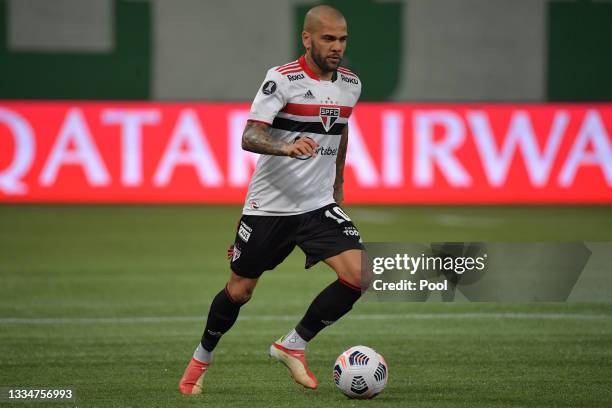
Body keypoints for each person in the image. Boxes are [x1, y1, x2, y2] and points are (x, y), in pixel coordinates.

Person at [179, 4, 364, 394]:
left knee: (359, 275)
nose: (337, 46)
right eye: (329, 38)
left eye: (342, 39)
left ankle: (291, 345)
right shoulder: (282, 80)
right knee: (239, 291)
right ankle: (201, 359)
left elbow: (340, 131)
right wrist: (287, 147)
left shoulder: (350, 84)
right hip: (270, 207)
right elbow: (249, 136)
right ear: (307, 38)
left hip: (316, 205)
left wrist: (338, 182)